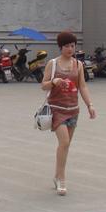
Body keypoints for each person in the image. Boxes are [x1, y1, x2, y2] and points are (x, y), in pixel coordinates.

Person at [41, 31, 96, 196]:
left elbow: (82, 86)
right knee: (64, 142)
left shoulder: (78, 65)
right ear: (60, 47)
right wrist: (54, 81)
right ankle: (62, 179)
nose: (70, 49)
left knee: (65, 146)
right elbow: (43, 85)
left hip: (73, 109)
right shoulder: (53, 64)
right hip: (56, 109)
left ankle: (57, 175)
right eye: (66, 46)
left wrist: (90, 105)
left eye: (72, 46)